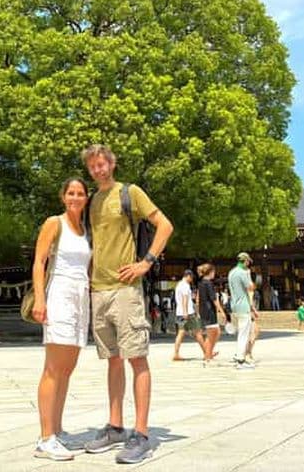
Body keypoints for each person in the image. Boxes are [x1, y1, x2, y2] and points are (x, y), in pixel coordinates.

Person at [81, 145, 174, 464]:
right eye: (93, 166)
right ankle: (116, 425)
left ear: (112, 163)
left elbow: (165, 224)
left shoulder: (129, 192)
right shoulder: (92, 201)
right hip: (99, 289)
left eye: (102, 163)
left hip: (125, 288)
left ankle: (142, 433)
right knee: (113, 359)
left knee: (136, 357)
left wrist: (146, 262)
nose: (98, 169)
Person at [31, 178, 92, 461]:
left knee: (67, 368)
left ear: (86, 198)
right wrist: (41, 300)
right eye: (71, 193)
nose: (75, 197)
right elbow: (38, 262)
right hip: (59, 295)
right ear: (63, 196)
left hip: (81, 297)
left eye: (80, 193)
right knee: (53, 368)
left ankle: (57, 428)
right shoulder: (54, 223)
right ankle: (45, 438)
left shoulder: (85, 229)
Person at [228, 252, 257, 368]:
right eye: (248, 262)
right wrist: (249, 275)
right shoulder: (243, 273)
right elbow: (250, 287)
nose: (249, 264)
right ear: (245, 261)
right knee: (244, 333)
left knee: (241, 332)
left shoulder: (232, 272)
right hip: (243, 305)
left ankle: (238, 355)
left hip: (234, 305)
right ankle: (241, 359)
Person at [172, 270, 207, 361]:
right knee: (198, 333)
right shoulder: (185, 286)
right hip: (187, 313)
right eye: (191, 278)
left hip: (180, 312)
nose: (191, 280)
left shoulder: (179, 284)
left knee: (181, 333)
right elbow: (185, 299)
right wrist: (185, 311)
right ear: (188, 276)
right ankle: (206, 352)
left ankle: (176, 353)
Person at [197, 263, 225, 361]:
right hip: (209, 311)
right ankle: (208, 355)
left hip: (203, 310)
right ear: (211, 272)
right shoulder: (208, 283)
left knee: (214, 332)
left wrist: (198, 310)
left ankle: (209, 353)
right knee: (213, 333)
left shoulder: (201, 283)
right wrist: (222, 311)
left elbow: (198, 298)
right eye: (214, 272)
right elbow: (214, 299)